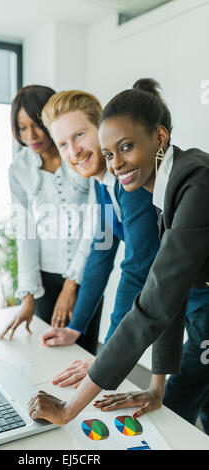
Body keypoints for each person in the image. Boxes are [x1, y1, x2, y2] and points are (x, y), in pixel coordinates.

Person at [28, 78, 209, 431]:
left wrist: (69, 408)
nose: (115, 163)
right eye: (110, 153)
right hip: (196, 300)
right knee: (182, 400)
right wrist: (155, 386)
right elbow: (166, 291)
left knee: (178, 406)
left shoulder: (193, 184)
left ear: (158, 138)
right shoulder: (162, 190)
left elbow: (151, 296)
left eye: (126, 147)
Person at [38, 90, 159, 389]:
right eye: (63, 144)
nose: (73, 152)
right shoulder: (104, 186)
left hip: (200, 297)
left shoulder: (131, 182)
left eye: (79, 135)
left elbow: (136, 270)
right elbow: (101, 252)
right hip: (181, 299)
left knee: (185, 395)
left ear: (102, 130)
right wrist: (76, 327)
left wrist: (108, 355)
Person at [0, 85, 102, 354]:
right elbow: (25, 231)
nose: (30, 135)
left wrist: (72, 285)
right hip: (44, 277)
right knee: (49, 351)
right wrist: (28, 295)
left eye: (36, 125)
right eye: (22, 128)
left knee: (82, 352)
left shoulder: (80, 155)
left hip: (86, 273)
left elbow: (95, 220)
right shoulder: (18, 169)